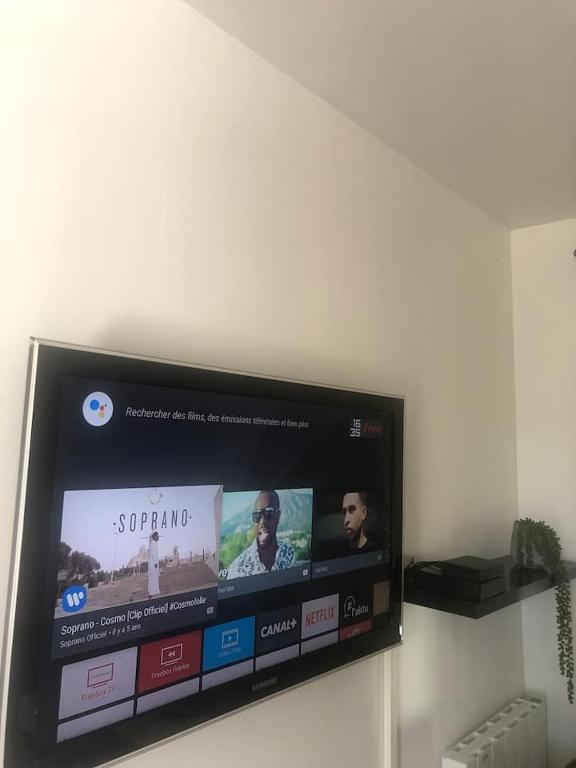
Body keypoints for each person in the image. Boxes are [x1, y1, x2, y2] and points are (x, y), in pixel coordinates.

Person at [226, 490, 295, 578]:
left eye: (269, 513)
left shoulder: (288, 550)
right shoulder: (237, 569)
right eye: (257, 515)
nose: (262, 522)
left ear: (278, 516)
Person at [147, 531, 161, 597]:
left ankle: (152, 592)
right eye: (157, 536)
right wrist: (156, 564)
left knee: (154, 579)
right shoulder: (153, 544)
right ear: (155, 537)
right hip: (153, 564)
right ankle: (150, 593)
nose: (158, 537)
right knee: (152, 579)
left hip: (153, 564)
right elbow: (154, 555)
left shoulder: (154, 543)